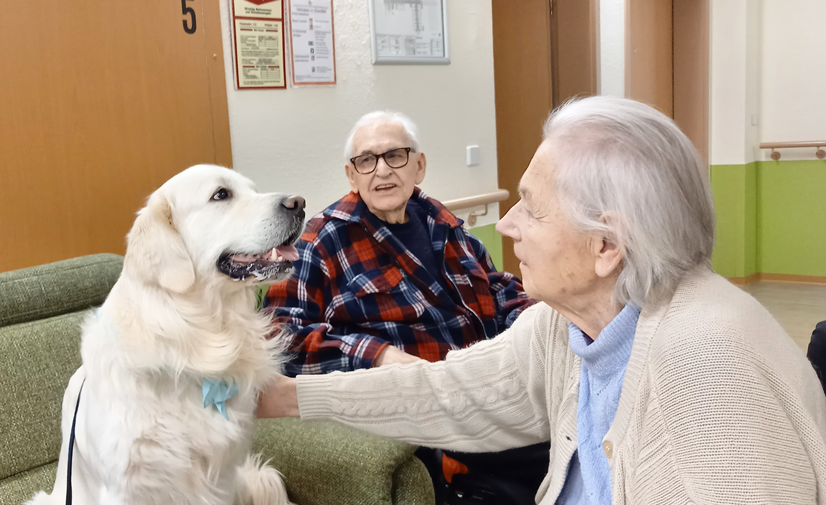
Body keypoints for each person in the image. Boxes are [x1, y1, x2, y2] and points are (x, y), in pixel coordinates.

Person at [259, 96, 826, 505]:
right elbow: (451, 390)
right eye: (368, 161)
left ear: (606, 246)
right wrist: (289, 398)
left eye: (530, 206)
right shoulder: (567, 327)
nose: (505, 224)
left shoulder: (707, 363)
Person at [263, 111, 547, 503]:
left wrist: (537, 319)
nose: (382, 171)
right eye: (366, 160)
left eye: (395, 155)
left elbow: (497, 288)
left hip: (488, 386)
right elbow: (282, 337)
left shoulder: (444, 223)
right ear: (352, 175)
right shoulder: (323, 239)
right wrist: (379, 356)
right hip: (418, 408)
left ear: (419, 165)